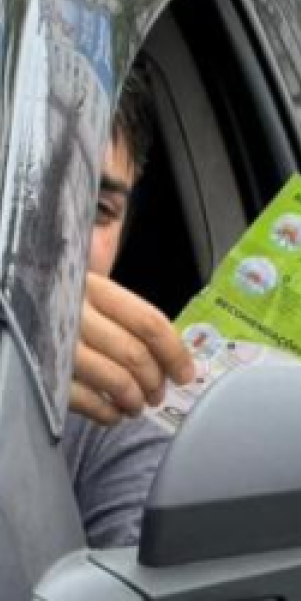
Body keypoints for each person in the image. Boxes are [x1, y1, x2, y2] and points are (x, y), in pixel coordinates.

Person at [69, 70, 197, 548]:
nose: (64, 232)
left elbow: (136, 582)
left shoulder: (124, 409)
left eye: (100, 209)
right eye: (25, 185)